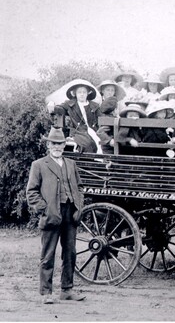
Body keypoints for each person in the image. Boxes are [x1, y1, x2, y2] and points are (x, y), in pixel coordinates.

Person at [26, 127, 86, 304]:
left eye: (60, 143)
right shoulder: (38, 165)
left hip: (70, 214)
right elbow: (32, 192)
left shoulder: (71, 164)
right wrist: (45, 209)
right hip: (52, 214)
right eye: (54, 143)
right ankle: (46, 293)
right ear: (48, 145)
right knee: (48, 254)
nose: (57, 147)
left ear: (64, 145)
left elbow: (80, 188)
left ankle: (67, 290)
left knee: (70, 253)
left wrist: (79, 206)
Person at [47, 79, 101, 153]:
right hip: (78, 132)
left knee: (100, 144)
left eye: (84, 92)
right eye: (79, 92)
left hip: (94, 131)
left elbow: (101, 119)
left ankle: (98, 162)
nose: (82, 94)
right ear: (75, 93)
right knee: (87, 144)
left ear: (88, 93)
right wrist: (52, 105)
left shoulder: (94, 106)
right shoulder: (70, 104)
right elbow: (59, 108)